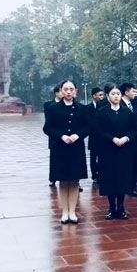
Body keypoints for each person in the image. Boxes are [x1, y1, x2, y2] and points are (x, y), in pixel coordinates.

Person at [43, 80, 89, 223]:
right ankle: (64, 212)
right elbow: (47, 128)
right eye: (66, 89)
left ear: (76, 91)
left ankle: (72, 212)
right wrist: (61, 136)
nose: (69, 92)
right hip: (59, 148)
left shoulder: (82, 108)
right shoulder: (53, 108)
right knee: (62, 181)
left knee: (74, 181)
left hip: (76, 148)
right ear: (61, 91)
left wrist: (78, 135)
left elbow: (88, 127)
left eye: (71, 89)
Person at [96, 83, 137, 220]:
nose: (116, 96)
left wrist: (126, 138)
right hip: (108, 150)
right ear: (107, 96)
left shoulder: (127, 111)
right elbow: (99, 130)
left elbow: (134, 129)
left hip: (124, 150)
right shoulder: (102, 112)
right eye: (113, 94)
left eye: (118, 94)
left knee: (122, 178)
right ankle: (111, 207)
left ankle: (121, 207)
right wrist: (112, 138)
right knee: (110, 178)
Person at [120, 83, 137, 197]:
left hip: (135, 140)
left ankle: (132, 187)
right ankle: (124, 187)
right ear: (126, 92)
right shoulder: (119, 105)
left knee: (134, 164)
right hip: (123, 140)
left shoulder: (134, 104)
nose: (135, 93)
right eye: (133, 91)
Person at [44, 85, 63, 187]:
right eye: (62, 91)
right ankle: (53, 178)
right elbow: (49, 122)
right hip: (54, 136)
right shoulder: (49, 105)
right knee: (54, 159)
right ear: (56, 93)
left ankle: (74, 181)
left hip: (67, 136)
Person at [86, 87, 105, 183]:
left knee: (103, 157)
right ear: (94, 96)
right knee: (93, 157)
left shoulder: (105, 107)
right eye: (100, 95)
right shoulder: (87, 108)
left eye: (103, 95)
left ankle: (102, 174)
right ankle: (94, 176)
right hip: (93, 137)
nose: (102, 97)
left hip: (103, 137)